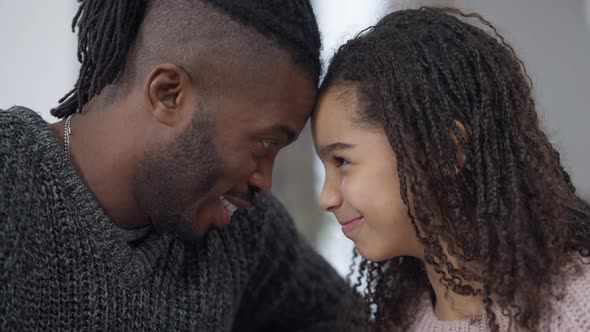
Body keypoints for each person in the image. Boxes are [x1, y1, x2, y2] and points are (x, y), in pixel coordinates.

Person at [0, 0, 361, 331]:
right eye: (265, 144)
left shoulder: (241, 230)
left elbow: (351, 319)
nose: (264, 182)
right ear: (168, 94)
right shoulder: (12, 178)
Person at [312, 7, 590, 332]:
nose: (326, 199)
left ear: (445, 151)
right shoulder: (397, 321)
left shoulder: (579, 307)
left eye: (342, 161)